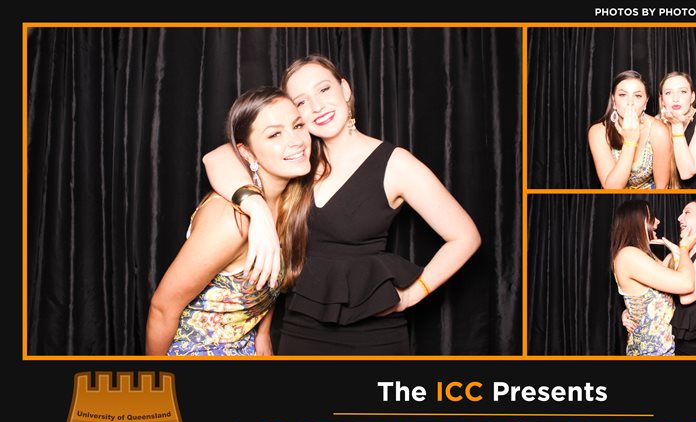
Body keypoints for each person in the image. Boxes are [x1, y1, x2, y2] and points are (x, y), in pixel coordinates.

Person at [202, 54, 482, 355]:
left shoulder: (395, 164)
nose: (317, 106)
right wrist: (257, 210)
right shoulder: (296, 159)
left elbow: (466, 236)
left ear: (345, 90)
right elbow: (216, 158)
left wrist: (414, 294)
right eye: (301, 101)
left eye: (324, 89)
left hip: (374, 336)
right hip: (299, 328)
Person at [146, 86, 318, 355]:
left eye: (297, 126)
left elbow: (268, 272)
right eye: (275, 134)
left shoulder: (287, 201)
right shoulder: (232, 221)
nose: (296, 140)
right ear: (247, 153)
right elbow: (162, 308)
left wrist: (263, 332)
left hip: (244, 346)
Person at [623, 200, 696, 354]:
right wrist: (630, 311)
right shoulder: (675, 256)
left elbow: (687, 297)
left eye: (687, 212)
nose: (679, 218)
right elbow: (652, 292)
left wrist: (681, 250)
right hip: (678, 342)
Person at [611, 199, 696, 355]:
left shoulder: (648, 257)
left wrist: (677, 250)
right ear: (638, 221)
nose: (658, 222)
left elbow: (669, 280)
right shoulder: (628, 254)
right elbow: (686, 283)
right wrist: (683, 248)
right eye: (652, 217)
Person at [589, 70, 673, 189]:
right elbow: (612, 189)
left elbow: (662, 187)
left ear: (646, 102)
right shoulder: (599, 132)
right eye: (622, 95)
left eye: (637, 96)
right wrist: (630, 142)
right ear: (613, 100)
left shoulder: (658, 131)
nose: (630, 102)